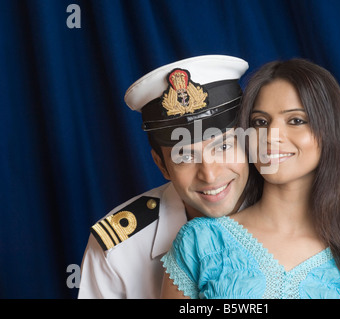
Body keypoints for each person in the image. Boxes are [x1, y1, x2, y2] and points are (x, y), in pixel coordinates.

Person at [160, 58, 340, 299]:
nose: (271, 136)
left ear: (329, 132)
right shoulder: (200, 242)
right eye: (260, 122)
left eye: (296, 120)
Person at [78, 55, 250, 298]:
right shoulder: (118, 249)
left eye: (223, 147)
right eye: (185, 157)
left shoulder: (296, 212)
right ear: (162, 165)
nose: (210, 175)